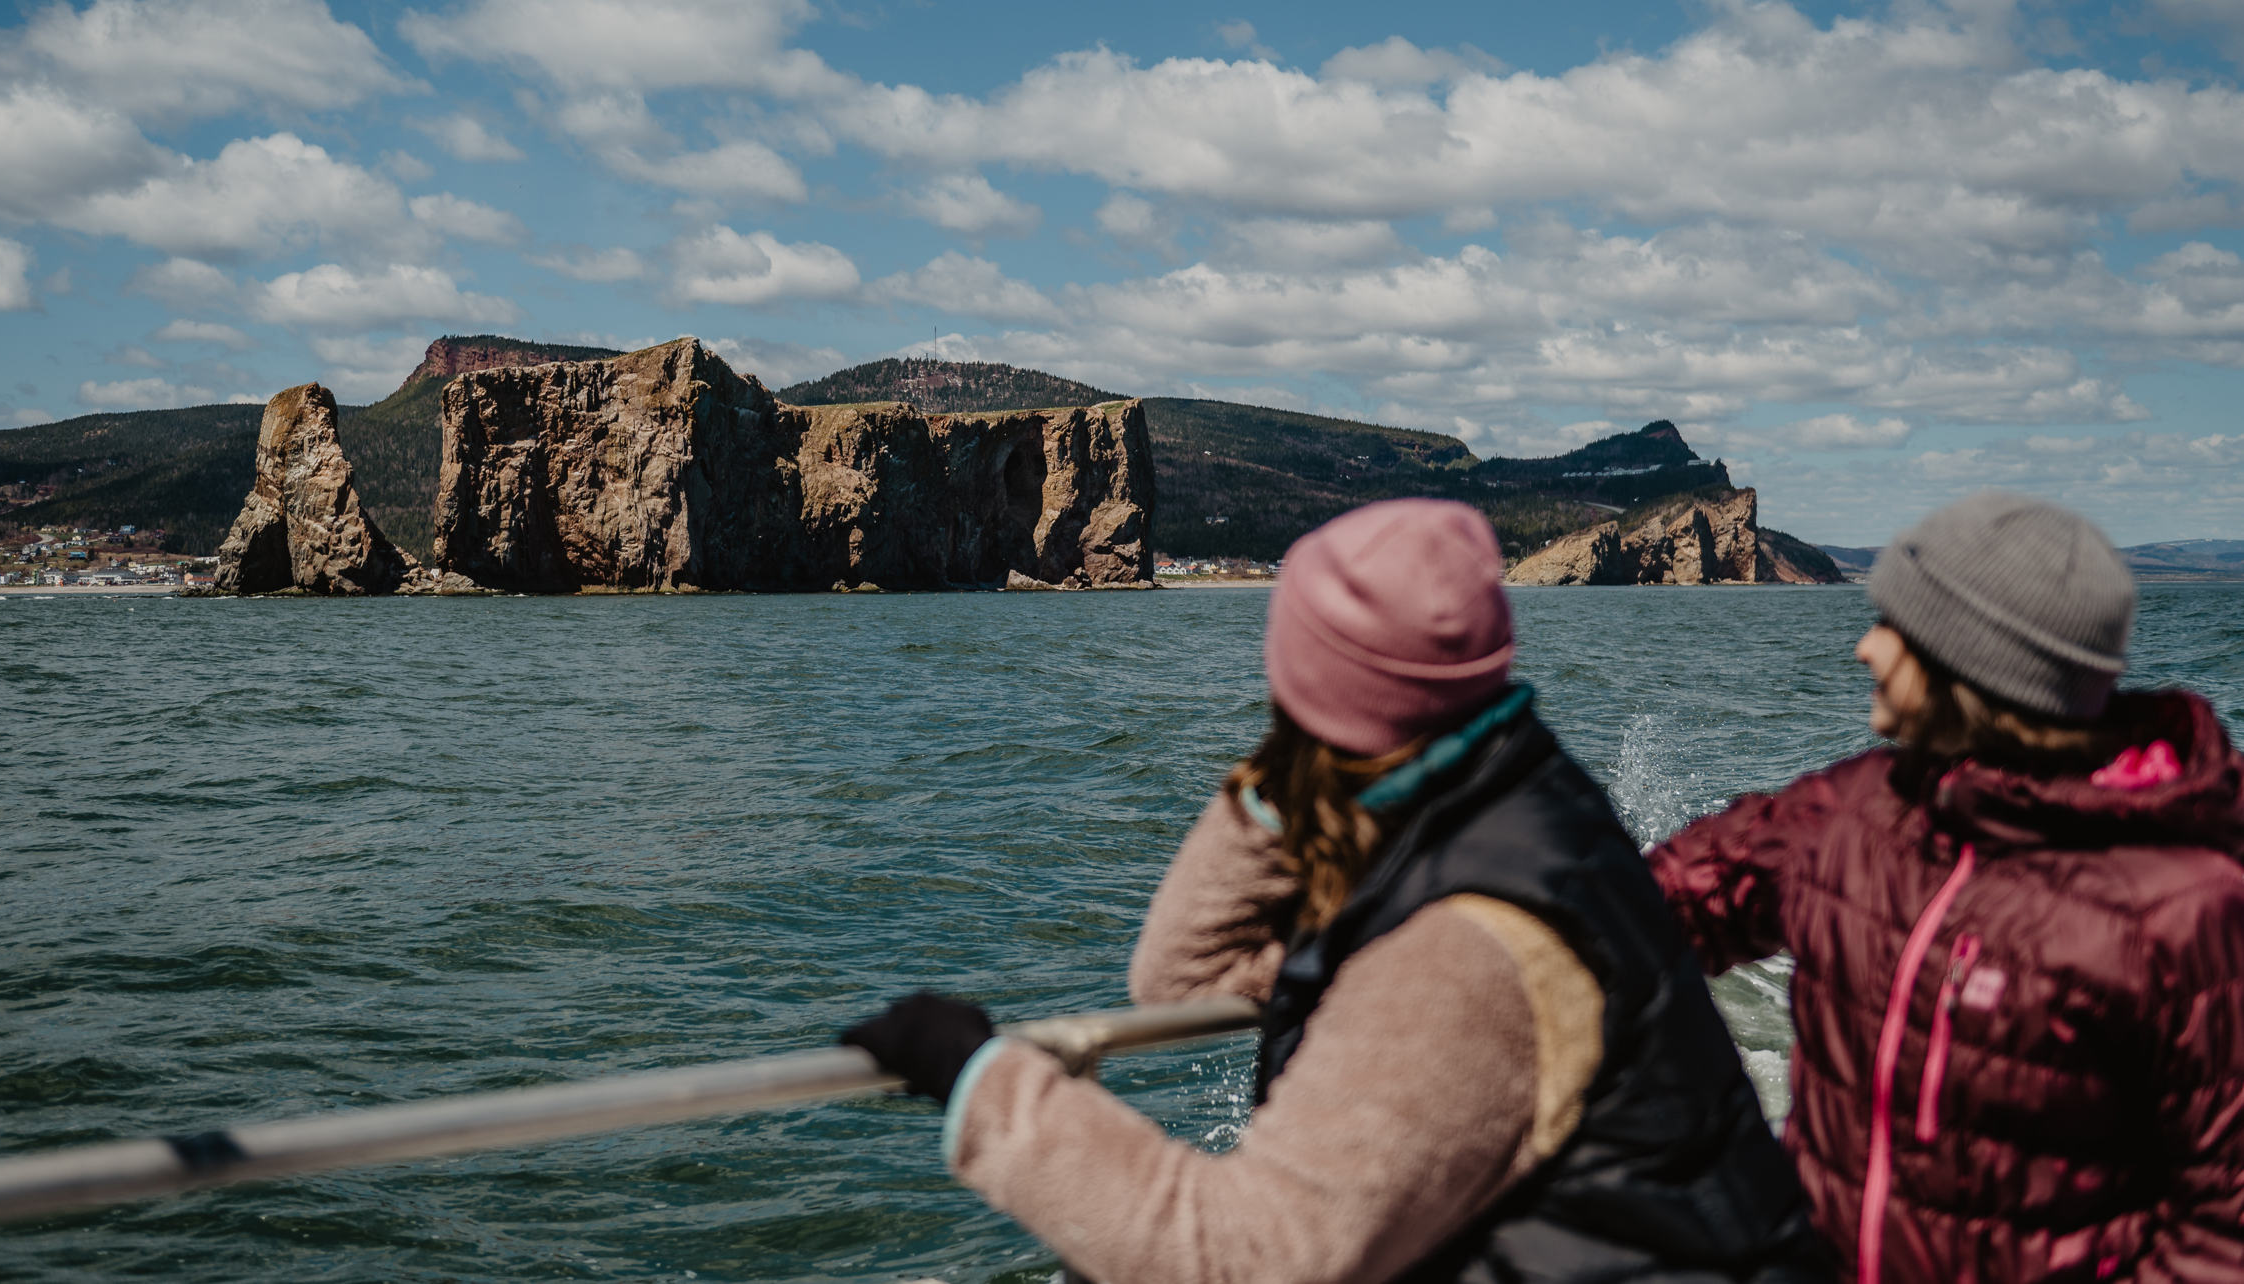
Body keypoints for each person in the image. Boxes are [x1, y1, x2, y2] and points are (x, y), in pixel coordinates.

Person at [844, 498, 1827, 1284]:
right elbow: (1183, 976)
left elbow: (1238, 1258)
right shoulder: (1531, 793)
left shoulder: (1464, 945)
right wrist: (1297, 762)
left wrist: (978, 1080)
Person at [1646, 490, 2244, 1284]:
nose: (1865, 650)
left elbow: (2221, 1226)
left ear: (1968, 663)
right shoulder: (1855, 812)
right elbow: (1646, 911)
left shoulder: (2185, 902)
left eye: (1891, 627)